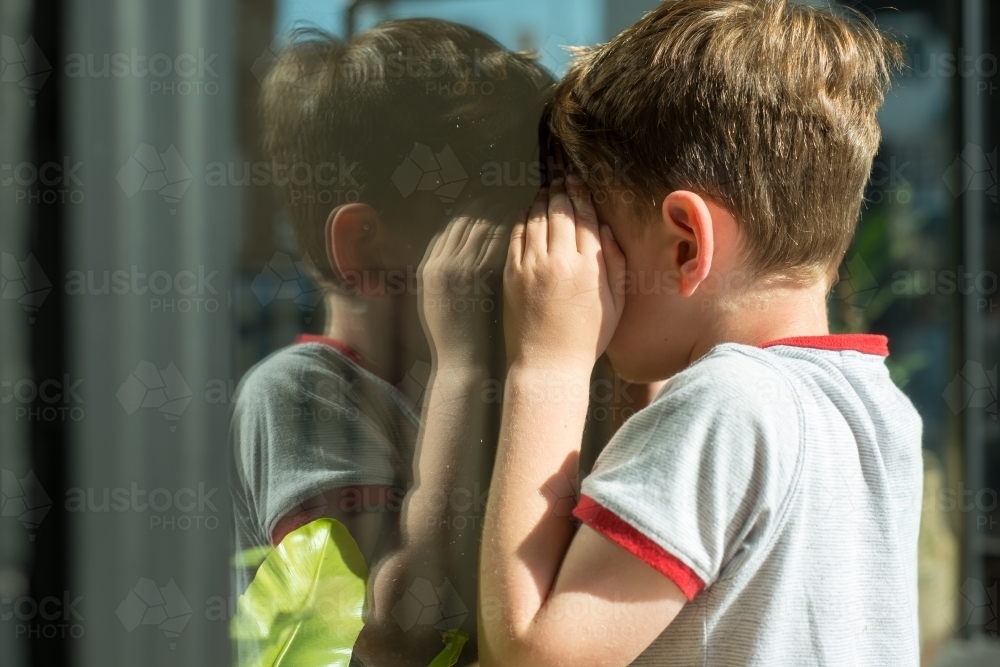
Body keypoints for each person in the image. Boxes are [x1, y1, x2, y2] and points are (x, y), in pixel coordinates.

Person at [478, 1, 922, 665]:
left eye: (597, 238)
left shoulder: (726, 405)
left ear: (686, 244)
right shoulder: (876, 410)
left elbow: (533, 652)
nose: (580, 270)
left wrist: (547, 366)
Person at [229, 19, 550, 666]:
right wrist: (461, 372)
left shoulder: (486, 386)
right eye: (487, 241)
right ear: (365, 251)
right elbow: (398, 631)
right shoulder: (301, 394)